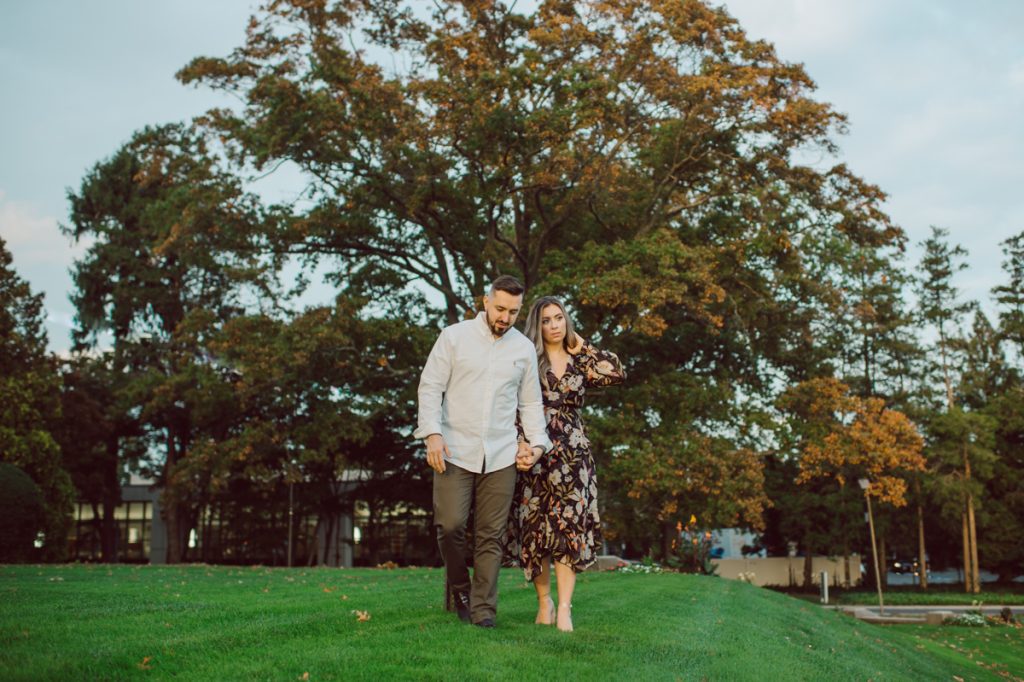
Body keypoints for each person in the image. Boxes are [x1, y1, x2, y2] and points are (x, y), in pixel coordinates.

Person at [414, 275, 552, 628]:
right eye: (501, 308)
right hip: (454, 450)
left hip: (502, 453)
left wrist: (536, 445)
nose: (505, 317)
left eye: (513, 312)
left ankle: (483, 611)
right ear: (486, 301)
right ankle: (460, 589)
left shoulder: (522, 349)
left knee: (492, 536)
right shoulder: (454, 337)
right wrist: (432, 434)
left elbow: (531, 403)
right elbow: (430, 387)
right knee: (450, 525)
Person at [508, 296, 626, 632]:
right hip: (535, 450)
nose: (554, 325)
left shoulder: (580, 360)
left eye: (559, 318)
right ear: (538, 324)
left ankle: (564, 608)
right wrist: (520, 443)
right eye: (546, 320)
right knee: (536, 532)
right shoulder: (527, 358)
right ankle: (543, 602)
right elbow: (513, 403)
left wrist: (581, 344)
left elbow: (616, 372)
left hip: (574, 455)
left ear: (567, 320)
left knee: (568, 530)